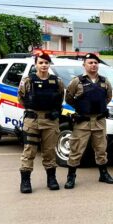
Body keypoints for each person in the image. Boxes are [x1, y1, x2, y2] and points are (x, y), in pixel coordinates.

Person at [65, 53, 113, 188]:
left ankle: (103, 174)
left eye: (95, 63)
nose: (93, 65)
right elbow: (69, 98)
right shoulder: (77, 81)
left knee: (101, 149)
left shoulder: (105, 81)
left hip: (99, 121)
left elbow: (108, 98)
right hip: (82, 121)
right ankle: (71, 177)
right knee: (76, 149)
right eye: (90, 63)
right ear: (84, 65)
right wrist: (82, 107)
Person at [17, 51, 65, 194]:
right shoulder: (28, 81)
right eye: (41, 62)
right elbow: (21, 98)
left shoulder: (57, 82)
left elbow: (60, 98)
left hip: (50, 121)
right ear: (35, 64)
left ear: (49, 64)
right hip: (32, 120)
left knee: (49, 151)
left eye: (46, 62)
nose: (44, 65)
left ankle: (51, 179)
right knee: (29, 151)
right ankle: (25, 181)